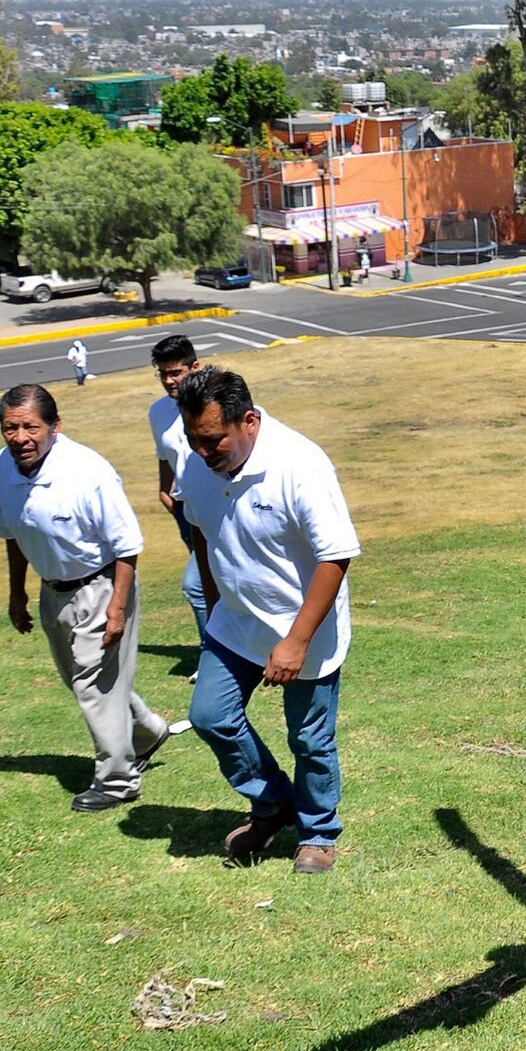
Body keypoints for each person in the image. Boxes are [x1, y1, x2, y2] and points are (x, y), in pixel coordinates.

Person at [176, 368, 361, 875]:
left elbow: (336, 556)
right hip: (235, 623)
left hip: (306, 628)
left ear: (250, 421)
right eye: (194, 440)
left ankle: (318, 832)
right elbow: (201, 530)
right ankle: (275, 801)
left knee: (308, 738)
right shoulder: (197, 462)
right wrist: (215, 605)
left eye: (214, 440)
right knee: (210, 715)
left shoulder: (299, 464)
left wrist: (296, 642)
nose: (203, 452)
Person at [0, 384, 179, 811]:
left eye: (31, 427)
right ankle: (147, 731)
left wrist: (117, 608)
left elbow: (127, 545)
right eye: (10, 428)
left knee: (93, 684)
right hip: (52, 589)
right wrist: (16, 595)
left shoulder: (88, 470)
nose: (20, 438)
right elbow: (13, 536)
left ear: (55, 427)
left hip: (103, 583)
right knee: (85, 681)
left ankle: (117, 781)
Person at [147, 335, 209, 652]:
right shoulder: (157, 413)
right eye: (163, 374)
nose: (169, 381)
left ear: (195, 367)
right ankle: (230, 648)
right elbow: (164, 453)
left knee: (196, 586)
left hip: (220, 507)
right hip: (186, 511)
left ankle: (214, 651)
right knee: (212, 583)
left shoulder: (217, 402)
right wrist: (163, 490)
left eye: (176, 372)